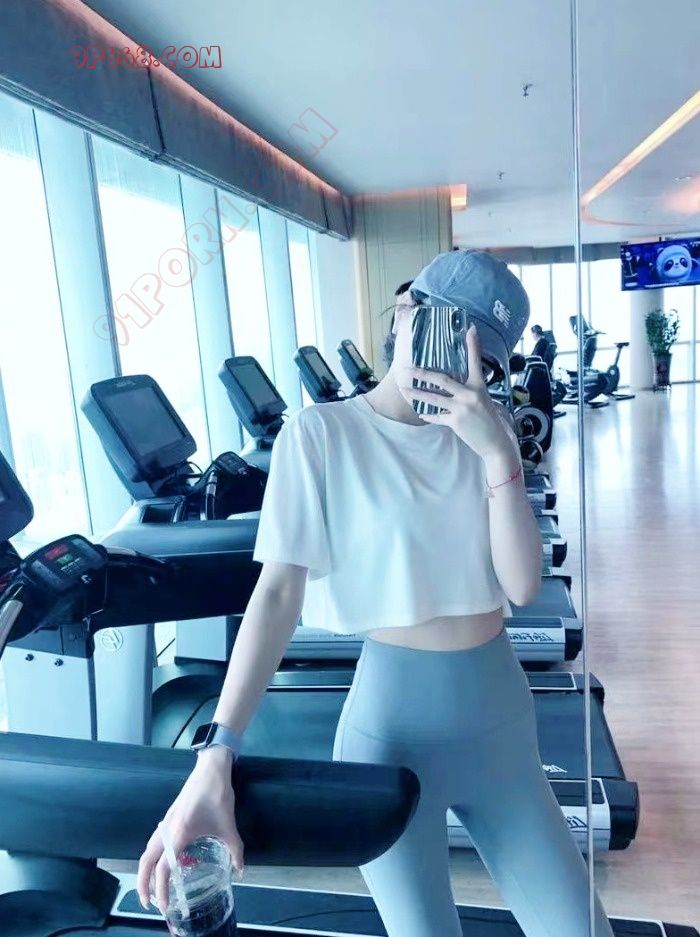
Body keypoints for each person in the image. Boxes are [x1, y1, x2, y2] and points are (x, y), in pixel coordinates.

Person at [137, 249, 614, 937]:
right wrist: (216, 753)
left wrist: (499, 454)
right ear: (407, 311)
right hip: (392, 735)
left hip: (503, 725)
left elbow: (521, 583)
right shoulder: (321, 435)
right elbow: (276, 596)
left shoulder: (485, 433)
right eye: (452, 336)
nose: (459, 368)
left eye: (483, 360)